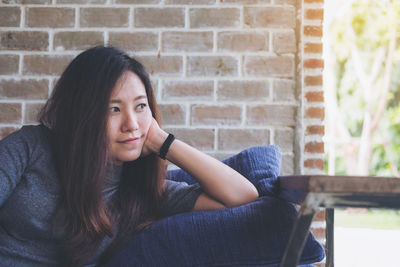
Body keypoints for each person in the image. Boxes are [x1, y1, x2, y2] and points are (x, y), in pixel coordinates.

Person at [0, 46, 260, 266]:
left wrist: (163, 141)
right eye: (114, 109)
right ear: (82, 113)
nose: (132, 124)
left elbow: (243, 196)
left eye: (140, 106)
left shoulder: (143, 193)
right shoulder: (29, 147)